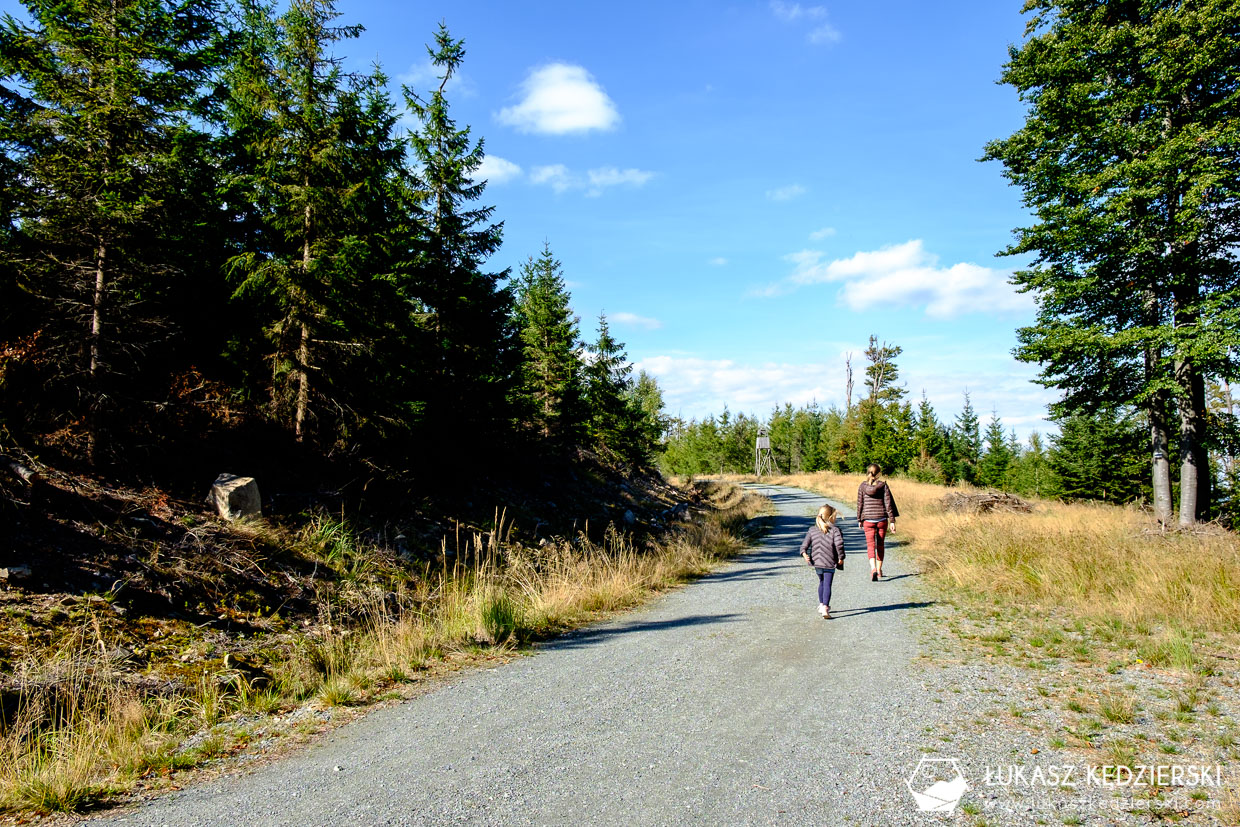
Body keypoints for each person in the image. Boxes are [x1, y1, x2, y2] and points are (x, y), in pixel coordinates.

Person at [799, 503, 845, 619]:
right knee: (827, 584)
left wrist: (805, 554)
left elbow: (804, 545)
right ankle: (825, 607)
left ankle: (821, 604)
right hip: (829, 561)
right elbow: (839, 545)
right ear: (831, 517)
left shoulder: (812, 530)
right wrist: (841, 557)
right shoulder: (835, 530)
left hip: (817, 562)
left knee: (821, 582)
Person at [857, 463, 899, 581]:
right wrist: (892, 520)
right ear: (879, 473)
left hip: (868, 520)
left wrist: (859, 519)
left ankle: (873, 568)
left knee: (871, 545)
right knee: (880, 545)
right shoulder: (883, 486)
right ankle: (880, 571)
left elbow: (860, 504)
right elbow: (888, 504)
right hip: (881, 519)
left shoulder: (862, 486)